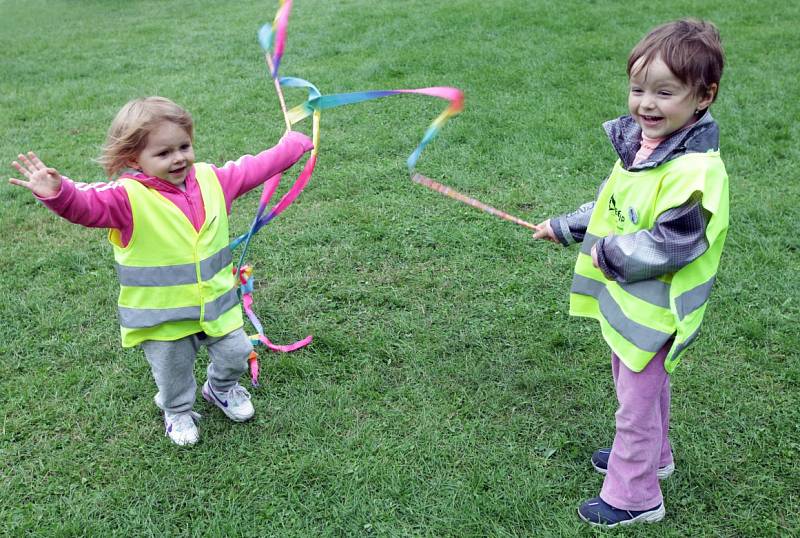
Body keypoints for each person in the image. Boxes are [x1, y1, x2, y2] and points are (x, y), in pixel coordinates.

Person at [9, 96, 313, 446]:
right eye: (164, 153)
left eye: (184, 146)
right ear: (132, 159)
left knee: (236, 355)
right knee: (173, 376)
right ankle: (177, 411)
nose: (179, 158)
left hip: (217, 306)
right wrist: (59, 194)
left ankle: (220, 389)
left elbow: (255, 167)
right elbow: (86, 206)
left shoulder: (213, 180)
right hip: (163, 318)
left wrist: (291, 147)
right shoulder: (125, 198)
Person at [533, 19, 728, 527]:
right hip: (631, 307)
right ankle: (655, 459)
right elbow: (612, 205)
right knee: (640, 391)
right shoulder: (645, 147)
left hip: (658, 312)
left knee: (634, 408)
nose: (646, 103)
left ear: (703, 97)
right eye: (639, 88)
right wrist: (565, 226)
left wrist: (611, 256)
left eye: (665, 92)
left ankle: (635, 497)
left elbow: (674, 241)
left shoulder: (694, 172)